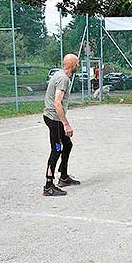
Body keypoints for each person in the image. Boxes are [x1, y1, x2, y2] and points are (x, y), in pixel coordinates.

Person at [42, 54, 81, 196]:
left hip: (53, 118)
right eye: (77, 63)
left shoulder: (60, 74)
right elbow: (57, 102)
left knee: (68, 145)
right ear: (73, 65)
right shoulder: (63, 79)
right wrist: (66, 124)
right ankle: (48, 186)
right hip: (55, 120)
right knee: (56, 150)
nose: (78, 65)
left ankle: (63, 177)